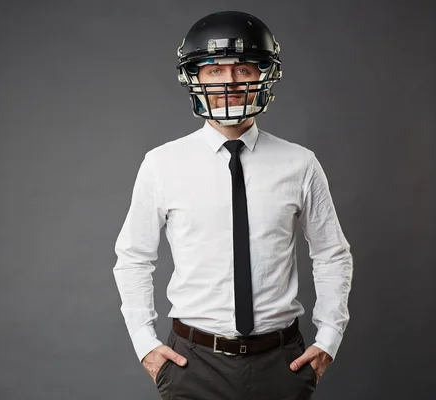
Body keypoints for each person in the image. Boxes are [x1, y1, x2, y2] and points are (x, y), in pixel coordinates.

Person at [113, 10, 353, 400]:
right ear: (195, 78)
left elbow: (332, 254)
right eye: (214, 71)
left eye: (243, 70)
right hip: (192, 363)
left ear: (264, 75)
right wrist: (144, 343)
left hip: (282, 362)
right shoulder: (162, 163)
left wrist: (328, 338)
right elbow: (133, 257)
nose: (229, 82)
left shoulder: (300, 163)